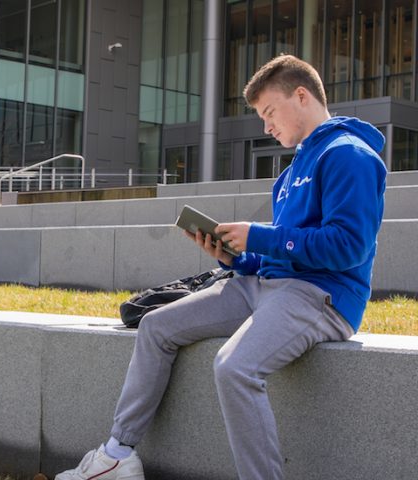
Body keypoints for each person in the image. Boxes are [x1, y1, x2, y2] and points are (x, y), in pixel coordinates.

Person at [55, 54, 387, 480]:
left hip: (320, 297)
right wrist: (234, 255)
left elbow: (348, 247)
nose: (266, 126)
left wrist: (259, 235)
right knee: (156, 327)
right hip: (261, 286)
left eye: (269, 112)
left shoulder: (349, 156)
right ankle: (118, 455)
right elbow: (283, 250)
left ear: (301, 96)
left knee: (234, 368)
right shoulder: (289, 174)